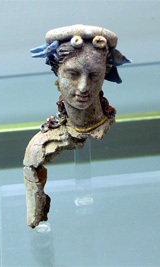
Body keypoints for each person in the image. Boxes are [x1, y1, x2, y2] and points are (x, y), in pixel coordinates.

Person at [23, 25, 130, 228]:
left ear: (106, 73)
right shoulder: (40, 146)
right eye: (72, 74)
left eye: (94, 75)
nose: (83, 87)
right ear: (56, 72)